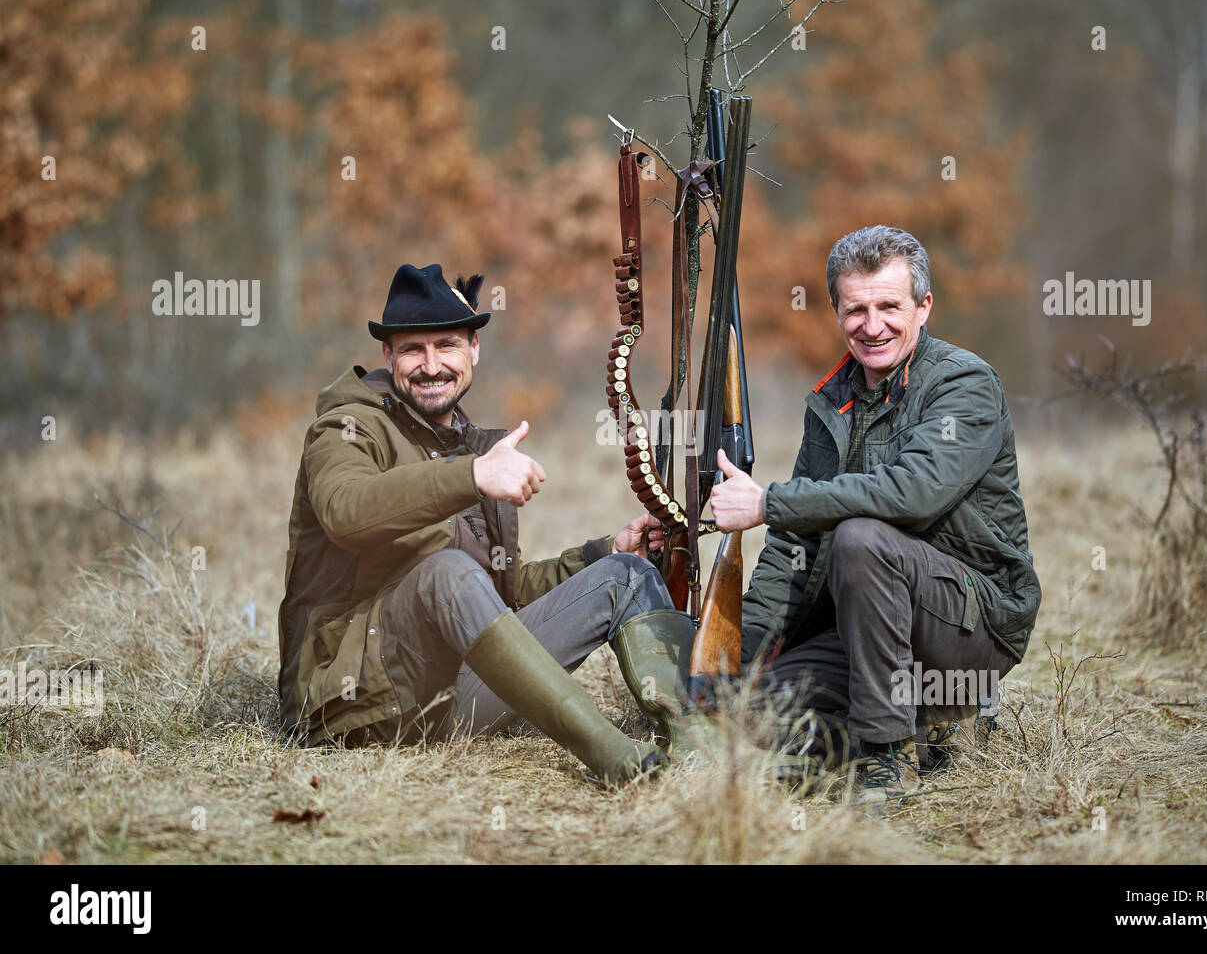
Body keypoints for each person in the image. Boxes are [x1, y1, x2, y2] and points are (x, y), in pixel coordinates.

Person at [276, 262, 675, 784]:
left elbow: (494, 598)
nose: (431, 364)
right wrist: (470, 474)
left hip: (449, 694)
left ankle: (700, 743)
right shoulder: (348, 425)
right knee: (446, 573)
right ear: (387, 355)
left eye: (447, 346)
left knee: (626, 575)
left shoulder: (470, 443)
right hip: (352, 698)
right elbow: (345, 512)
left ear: (474, 351)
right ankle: (619, 760)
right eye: (413, 350)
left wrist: (599, 554)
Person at [708, 225, 1042, 802]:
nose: (872, 325)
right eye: (855, 309)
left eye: (890, 305)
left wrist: (767, 502)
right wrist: (744, 653)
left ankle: (885, 759)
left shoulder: (965, 383)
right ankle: (927, 723)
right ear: (837, 312)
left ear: (924, 306)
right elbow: (795, 547)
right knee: (749, 716)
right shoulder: (831, 399)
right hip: (866, 627)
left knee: (860, 539)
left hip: (971, 623)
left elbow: (912, 494)